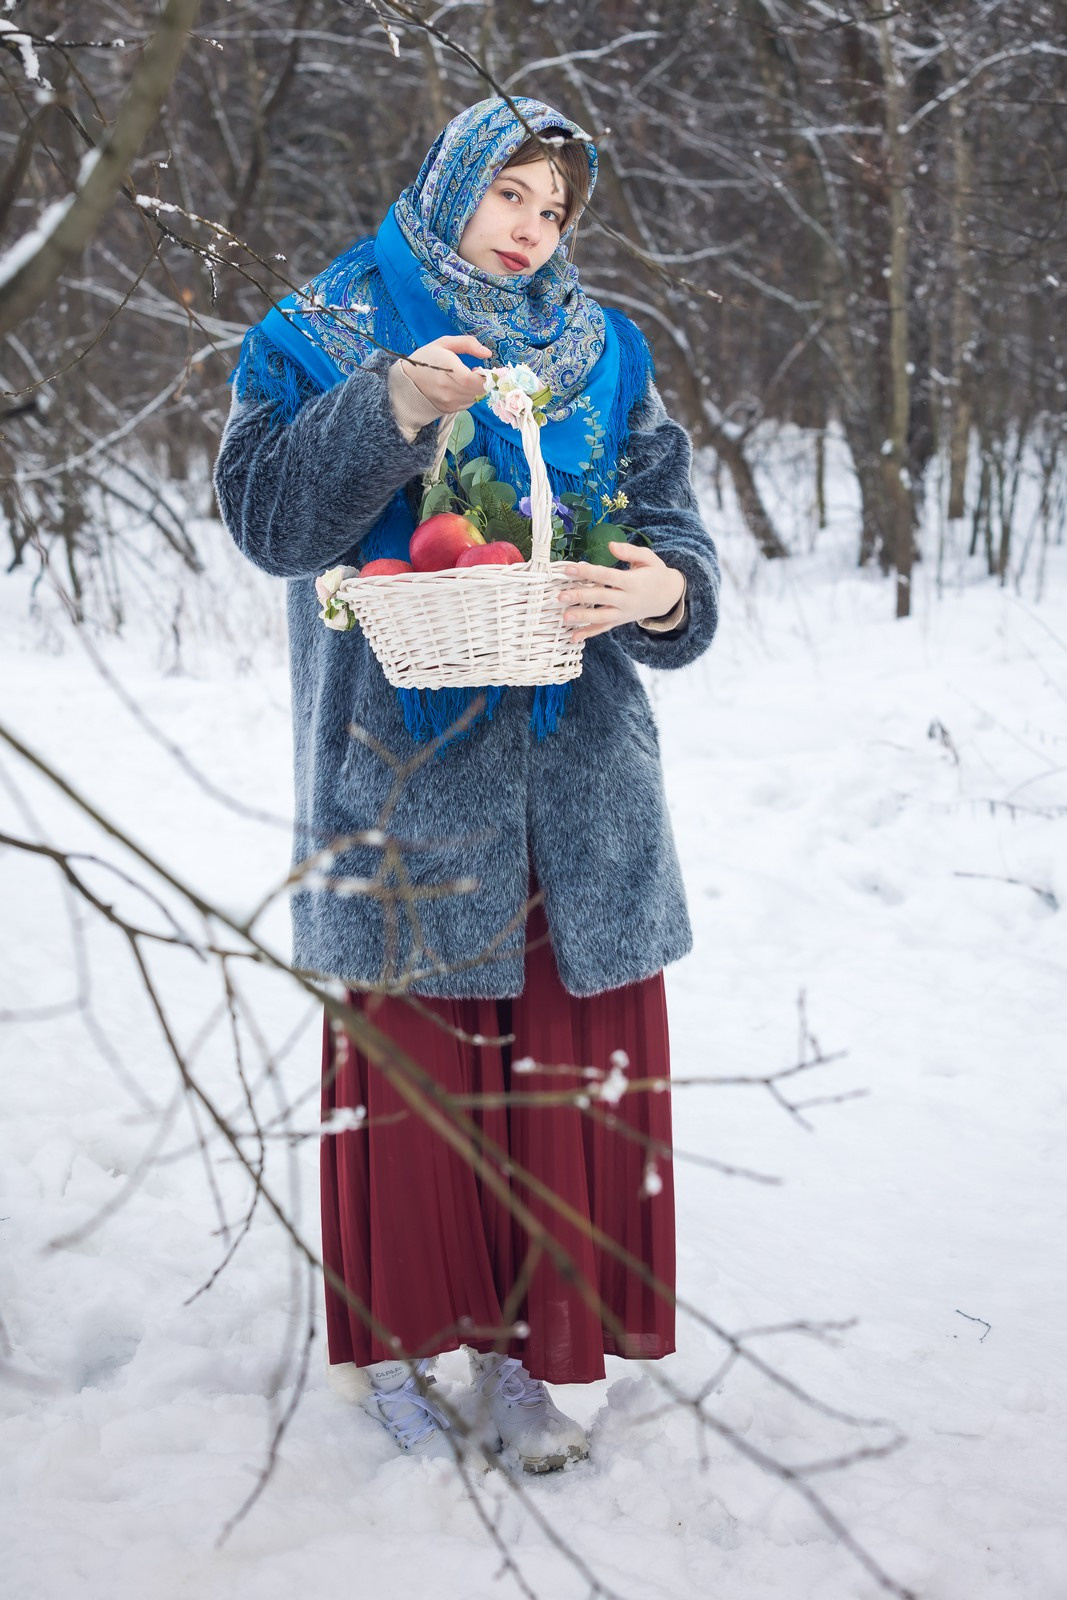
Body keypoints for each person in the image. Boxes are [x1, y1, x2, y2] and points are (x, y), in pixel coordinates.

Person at [213, 97, 720, 1474]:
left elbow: (667, 519)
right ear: (447, 183)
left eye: (555, 208)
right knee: (422, 1077)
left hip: (579, 775)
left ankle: (519, 1349)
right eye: (510, 191)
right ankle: (398, 1340)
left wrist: (668, 588)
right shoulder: (324, 325)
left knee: (554, 1079)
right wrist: (391, 404)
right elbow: (264, 517)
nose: (532, 227)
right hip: (407, 772)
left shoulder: (600, 346)